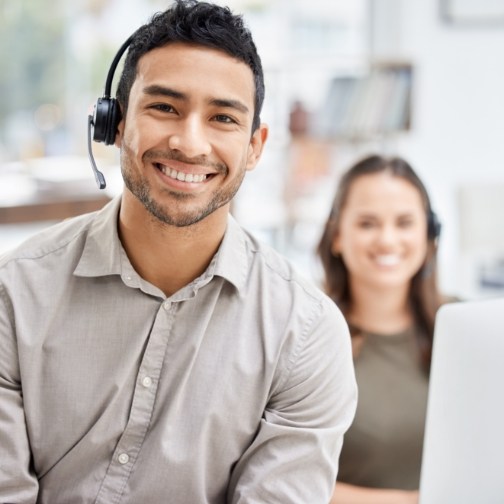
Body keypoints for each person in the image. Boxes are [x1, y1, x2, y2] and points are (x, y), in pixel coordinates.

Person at [0, 1, 357, 503]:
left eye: (223, 118)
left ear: (255, 146)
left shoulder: (304, 333)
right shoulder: (13, 294)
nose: (190, 144)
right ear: (115, 123)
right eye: (165, 107)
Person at [317, 154, 447, 504]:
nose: (387, 240)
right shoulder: (306, 335)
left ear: (429, 234)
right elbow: (284, 479)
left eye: (404, 222)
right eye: (368, 223)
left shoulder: (459, 327)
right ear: (337, 235)